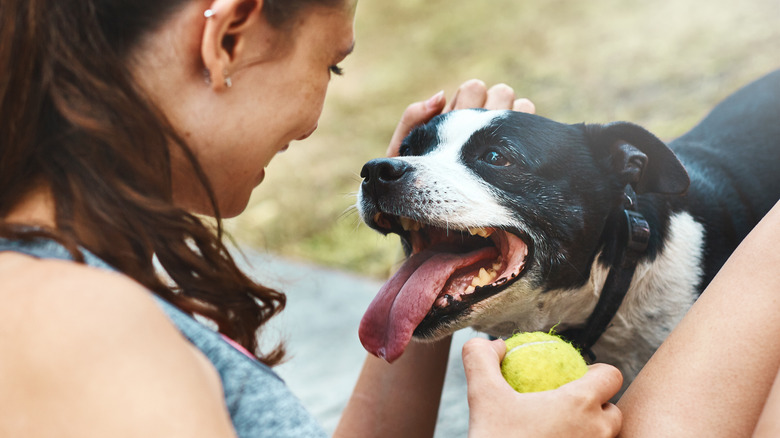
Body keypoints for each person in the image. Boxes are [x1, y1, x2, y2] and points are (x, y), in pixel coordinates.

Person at [0, 0, 623, 437]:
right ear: (229, 38)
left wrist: (435, 248)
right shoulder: (73, 327)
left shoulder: (69, 281)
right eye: (332, 63)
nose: (317, 117)